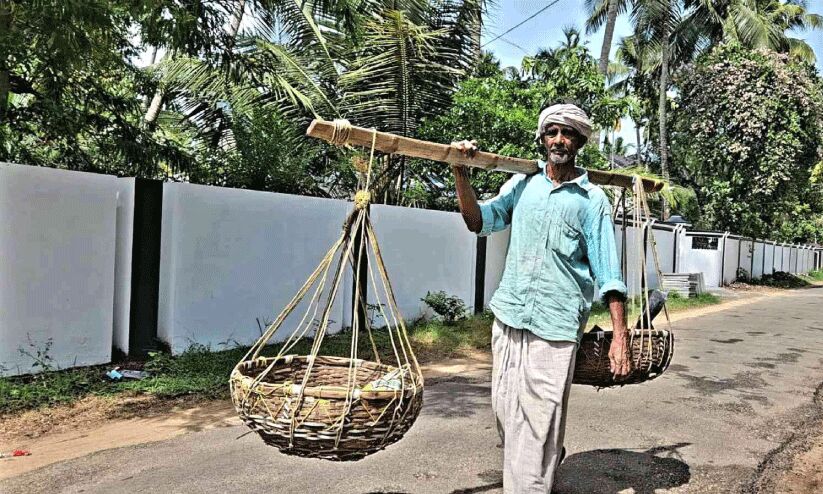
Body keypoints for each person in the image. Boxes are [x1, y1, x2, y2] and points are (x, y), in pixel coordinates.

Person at [450, 103, 631, 493]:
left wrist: (620, 335)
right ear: (543, 138)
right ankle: (547, 455)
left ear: (580, 142)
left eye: (568, 134)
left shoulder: (591, 200)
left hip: (557, 322)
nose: (559, 140)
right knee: (505, 412)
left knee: (538, 421)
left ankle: (533, 479)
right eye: (552, 132)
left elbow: (609, 272)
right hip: (510, 313)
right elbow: (477, 221)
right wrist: (460, 171)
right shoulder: (524, 185)